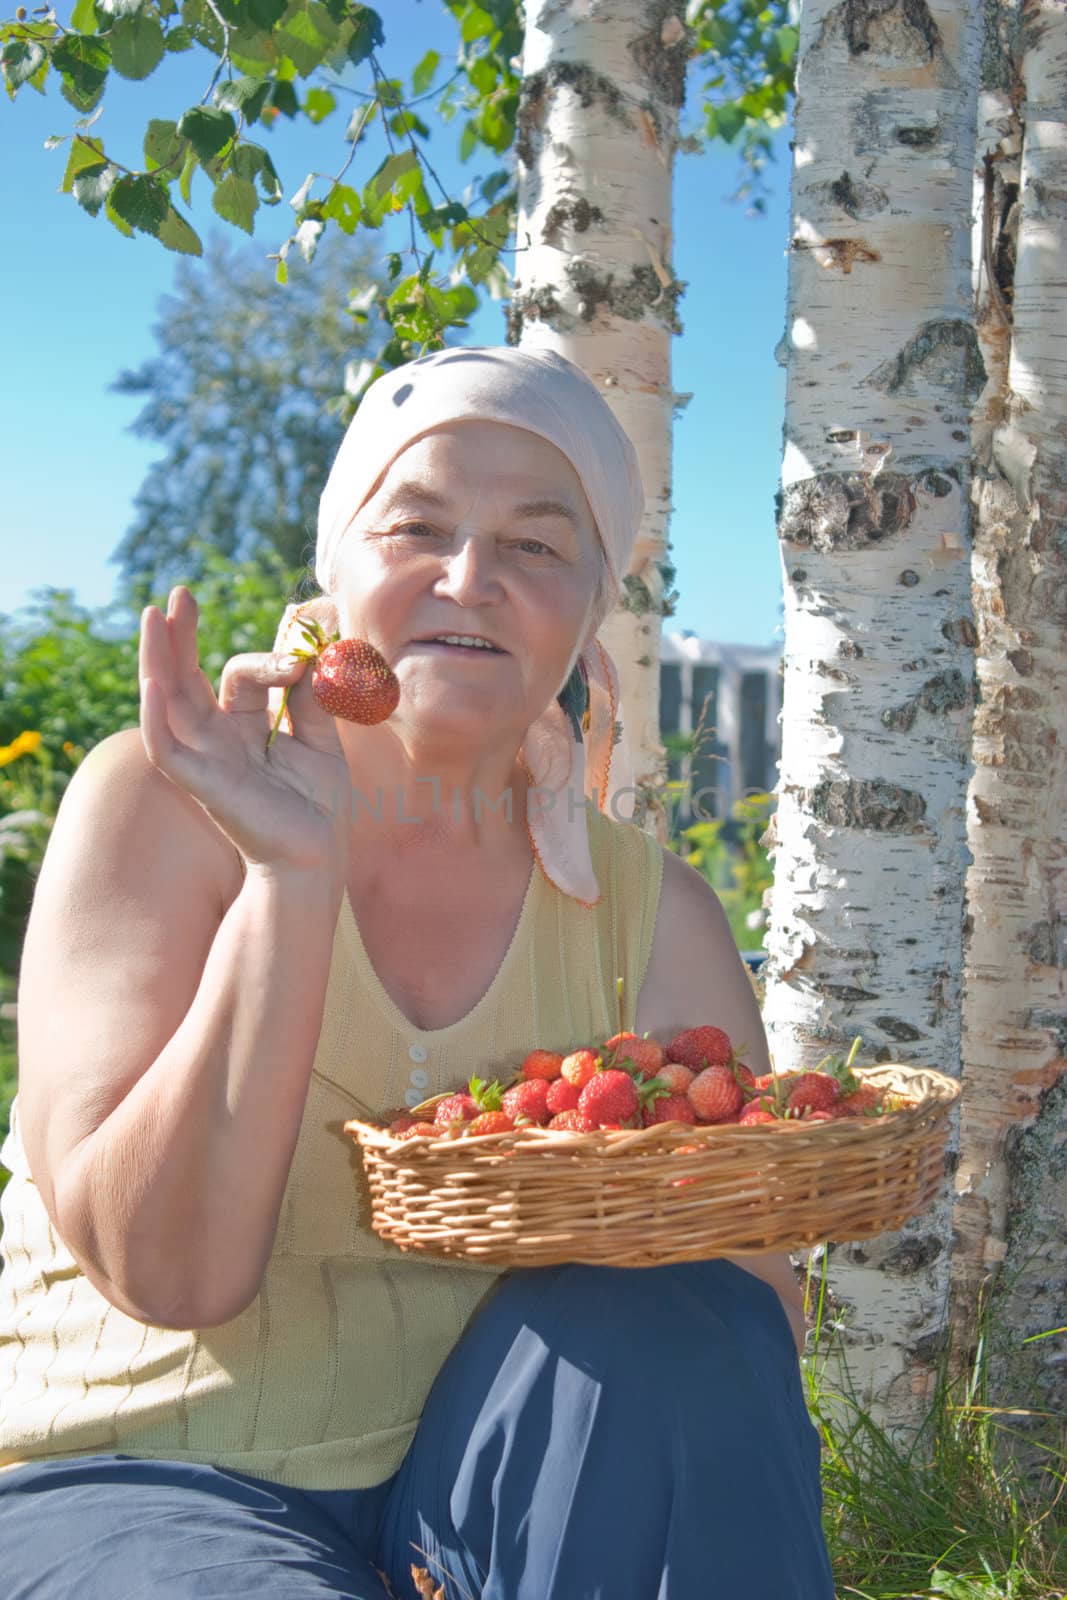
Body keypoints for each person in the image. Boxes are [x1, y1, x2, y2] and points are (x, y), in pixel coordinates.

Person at [0, 346, 834, 1599]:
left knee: (695, 1319)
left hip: (506, 1485)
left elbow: (752, 1319)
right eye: (417, 526)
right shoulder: (161, 803)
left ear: (593, 602)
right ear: (333, 572)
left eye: (537, 546)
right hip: (146, 1473)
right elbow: (167, 1274)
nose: (470, 579)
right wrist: (287, 881)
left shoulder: (650, 916)